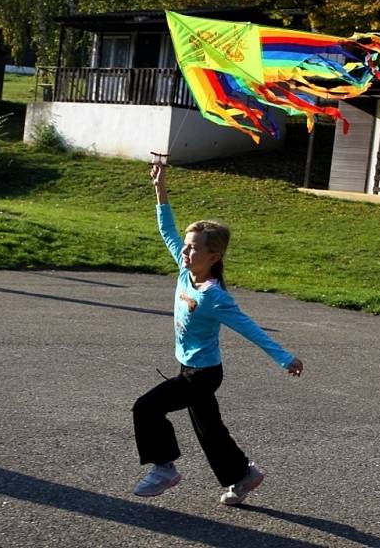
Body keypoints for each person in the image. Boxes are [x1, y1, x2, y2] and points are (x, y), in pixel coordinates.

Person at [132, 162, 304, 506]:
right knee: (210, 430)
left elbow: (250, 329)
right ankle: (243, 475)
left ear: (214, 256)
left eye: (194, 248)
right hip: (188, 367)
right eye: (187, 246)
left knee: (146, 408)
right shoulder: (185, 271)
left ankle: (164, 468)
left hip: (204, 374)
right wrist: (160, 187)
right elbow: (168, 230)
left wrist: (285, 357)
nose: (185, 251)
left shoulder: (214, 296)